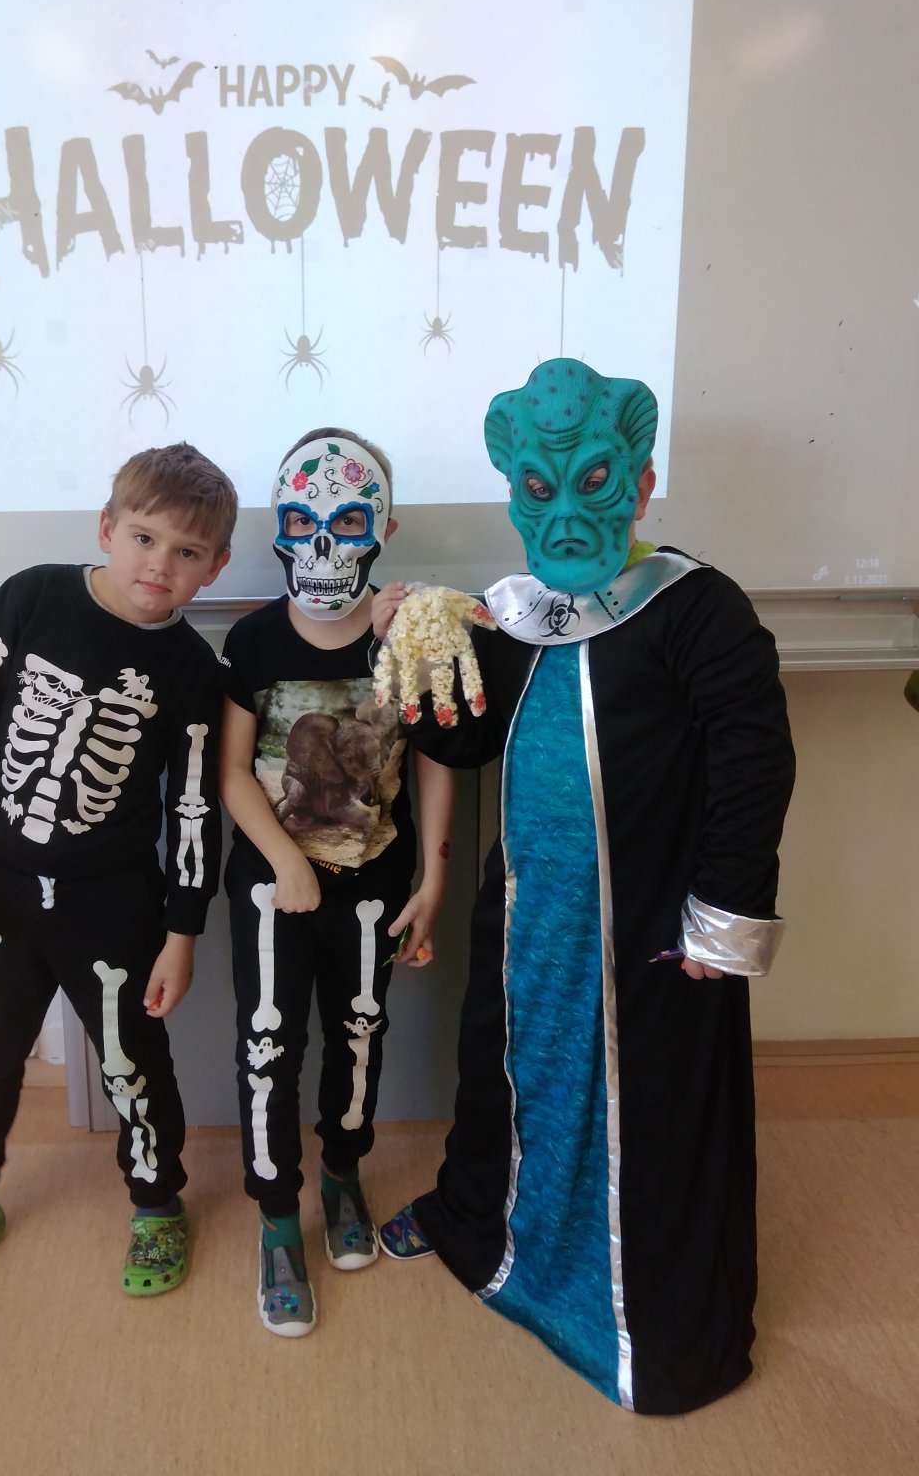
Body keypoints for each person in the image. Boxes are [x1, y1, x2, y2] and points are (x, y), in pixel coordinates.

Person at [373, 360, 796, 1415]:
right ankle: (482, 1229)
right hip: (529, 917)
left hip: (648, 926)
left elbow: (753, 757)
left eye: (594, 479)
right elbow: (467, 739)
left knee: (650, 1109)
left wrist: (724, 916)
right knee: (502, 1073)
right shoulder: (523, 615)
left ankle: (651, 1326)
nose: (564, 509)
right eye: (537, 487)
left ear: (640, 483)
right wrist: (422, 642)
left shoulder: (697, 608)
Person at [0, 443, 236, 1297]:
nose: (159, 564)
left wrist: (183, 931)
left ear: (215, 567)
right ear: (107, 528)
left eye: (187, 552)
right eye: (144, 538)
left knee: (132, 1063)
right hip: (5, 883)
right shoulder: (33, 597)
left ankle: (157, 1206)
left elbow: (194, 809)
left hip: (114, 902)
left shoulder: (194, 671)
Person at [219, 428, 455, 1337]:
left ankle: (343, 1174)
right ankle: (279, 1219)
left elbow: (434, 760)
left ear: (383, 530)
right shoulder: (253, 641)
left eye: (349, 523)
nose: (324, 545)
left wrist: (432, 878)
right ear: (279, 529)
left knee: (359, 1031)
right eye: (304, 523)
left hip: (373, 883)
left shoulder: (407, 638)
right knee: (268, 1043)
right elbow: (232, 770)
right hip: (272, 889)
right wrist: (285, 863)